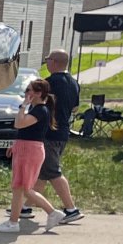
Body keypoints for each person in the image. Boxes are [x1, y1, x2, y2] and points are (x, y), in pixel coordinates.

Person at [0, 78, 66, 233]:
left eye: (28, 90)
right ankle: (13, 222)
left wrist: (23, 105)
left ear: (38, 93)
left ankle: (52, 212)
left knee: (24, 188)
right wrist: (16, 144)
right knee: (19, 188)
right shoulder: (36, 109)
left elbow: (19, 124)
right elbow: (27, 131)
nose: (26, 93)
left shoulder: (40, 110)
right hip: (25, 148)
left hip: (30, 151)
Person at [36, 48, 83, 222]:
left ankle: (71, 209)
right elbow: (75, 108)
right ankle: (25, 206)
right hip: (63, 131)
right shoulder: (73, 83)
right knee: (42, 171)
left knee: (53, 171)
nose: (46, 62)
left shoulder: (48, 84)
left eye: (48, 59)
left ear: (54, 62)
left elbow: (37, 105)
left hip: (50, 133)